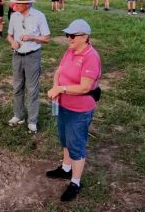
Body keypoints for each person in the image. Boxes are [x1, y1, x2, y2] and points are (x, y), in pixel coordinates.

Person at [46, 19, 101, 202]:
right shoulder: (70, 51)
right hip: (64, 105)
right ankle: (65, 168)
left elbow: (85, 87)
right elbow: (59, 71)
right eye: (67, 35)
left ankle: (76, 182)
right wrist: (56, 86)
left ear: (84, 37)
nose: (68, 38)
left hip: (80, 110)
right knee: (65, 138)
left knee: (76, 144)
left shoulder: (90, 56)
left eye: (72, 35)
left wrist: (61, 89)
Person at [7, 0, 50, 133]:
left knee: (32, 89)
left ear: (27, 4)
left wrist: (32, 37)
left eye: (19, 3)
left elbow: (46, 38)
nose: (16, 5)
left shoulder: (39, 16)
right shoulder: (14, 16)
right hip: (17, 56)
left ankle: (32, 121)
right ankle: (18, 115)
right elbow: (9, 35)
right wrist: (12, 42)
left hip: (32, 56)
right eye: (16, 2)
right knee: (17, 87)